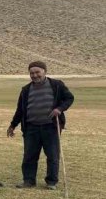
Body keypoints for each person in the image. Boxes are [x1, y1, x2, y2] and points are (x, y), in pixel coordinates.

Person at [6, 60, 74, 189]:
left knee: (52, 155)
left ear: (44, 71)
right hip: (31, 128)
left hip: (51, 127)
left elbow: (69, 98)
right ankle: (28, 181)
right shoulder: (26, 90)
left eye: (37, 72)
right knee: (29, 156)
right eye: (31, 73)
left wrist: (59, 109)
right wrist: (12, 125)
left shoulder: (57, 85)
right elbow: (20, 110)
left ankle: (51, 182)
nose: (34, 75)